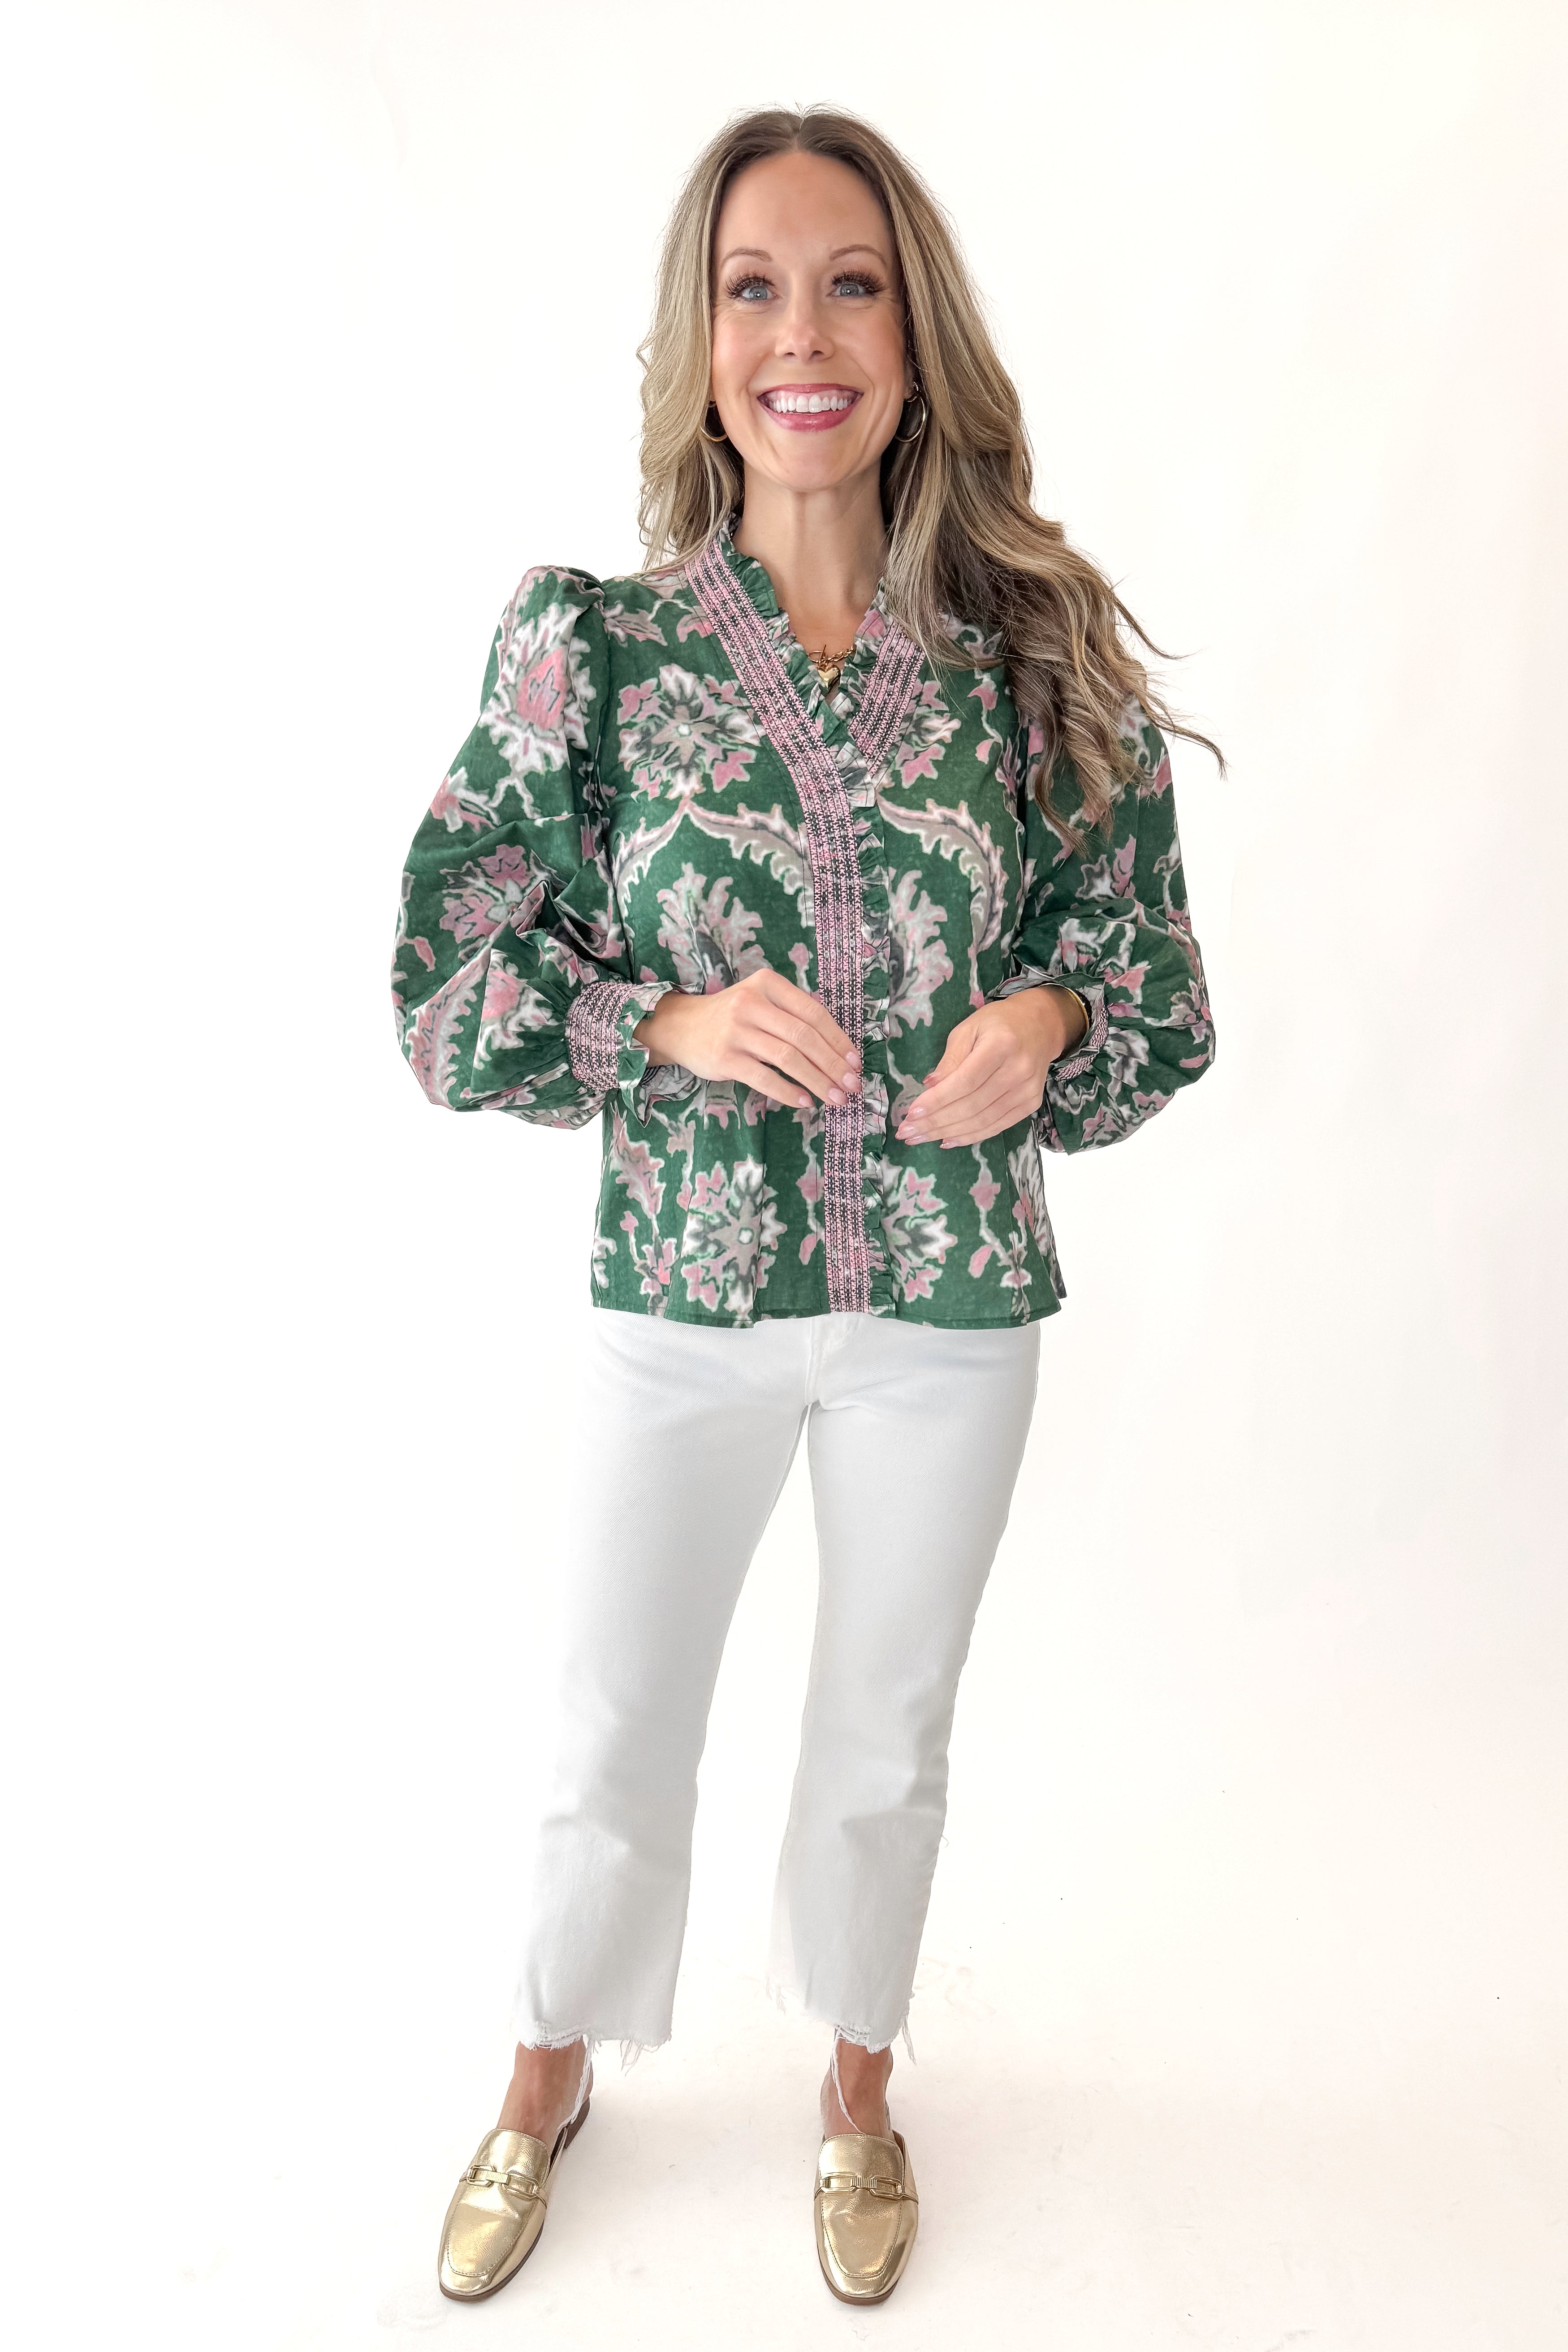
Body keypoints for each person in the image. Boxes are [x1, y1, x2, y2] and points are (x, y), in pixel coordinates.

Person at [392, 103, 1217, 2309]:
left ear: (913, 333)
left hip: (951, 1308)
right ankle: (545, 2065)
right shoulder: (595, 656)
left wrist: (1041, 1015)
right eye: (752, 287)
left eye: (847, 281)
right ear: (699, 346)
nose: (801, 332)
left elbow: (1154, 991)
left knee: (885, 1727)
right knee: (610, 1714)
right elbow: (442, 982)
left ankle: (855, 2085)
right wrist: (656, 1026)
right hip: (681, 1294)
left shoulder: (1026, 671)